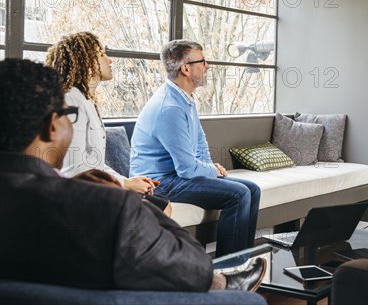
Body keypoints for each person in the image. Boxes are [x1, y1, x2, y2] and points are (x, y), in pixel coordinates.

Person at [0, 58, 266, 292]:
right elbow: (194, 266)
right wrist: (130, 202)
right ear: (51, 127)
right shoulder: (111, 206)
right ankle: (231, 280)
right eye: (68, 116)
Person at [130, 40, 261, 257]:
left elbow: (200, 143)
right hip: (159, 182)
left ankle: (243, 260)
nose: (207, 66)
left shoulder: (185, 99)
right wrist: (213, 171)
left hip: (177, 176)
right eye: (202, 61)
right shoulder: (169, 108)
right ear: (185, 68)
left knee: (252, 189)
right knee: (238, 194)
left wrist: (210, 167)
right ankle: (228, 268)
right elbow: (187, 169)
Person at [45, 32, 171, 215]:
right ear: (86, 60)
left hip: (94, 187)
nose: (109, 60)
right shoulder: (71, 100)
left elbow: (96, 164)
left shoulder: (86, 100)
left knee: (162, 204)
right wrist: (125, 184)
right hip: (78, 193)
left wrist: (127, 181)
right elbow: (75, 168)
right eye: (102, 54)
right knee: (159, 209)